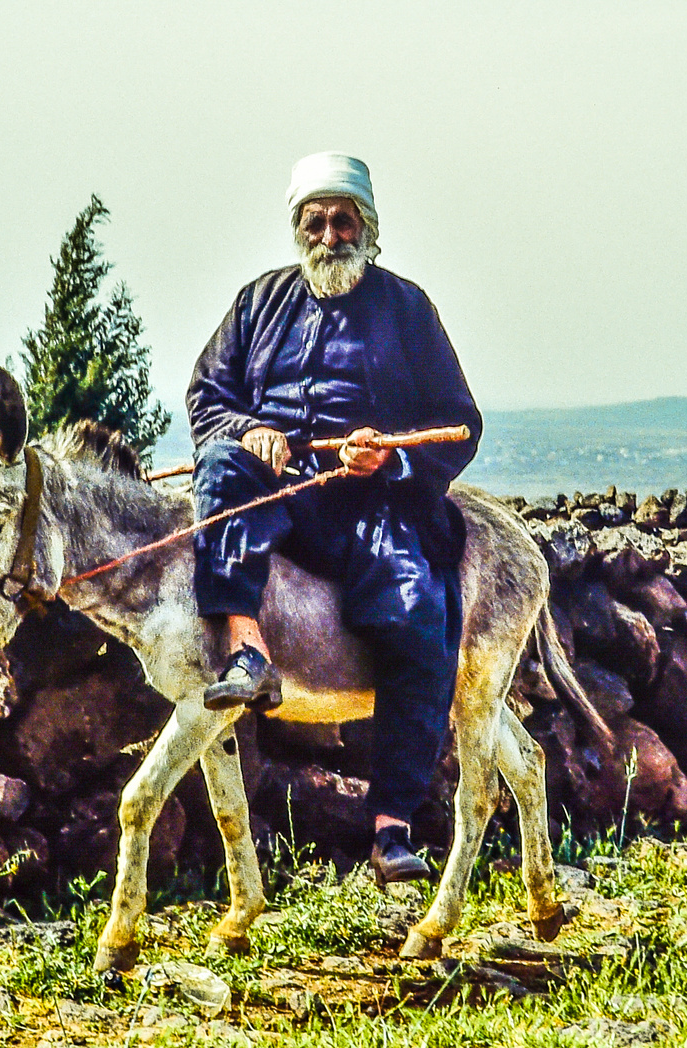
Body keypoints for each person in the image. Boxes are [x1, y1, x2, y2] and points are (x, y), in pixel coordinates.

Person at [186, 152, 482, 883]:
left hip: (374, 505)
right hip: (281, 491)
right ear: (299, 229)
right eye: (314, 222)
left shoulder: (408, 308)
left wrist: (390, 457)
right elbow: (205, 399)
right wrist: (248, 429)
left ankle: (392, 831)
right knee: (222, 468)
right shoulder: (257, 303)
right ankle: (247, 652)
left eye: (343, 220)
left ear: (368, 228)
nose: (329, 235)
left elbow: (459, 424)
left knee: (419, 613)